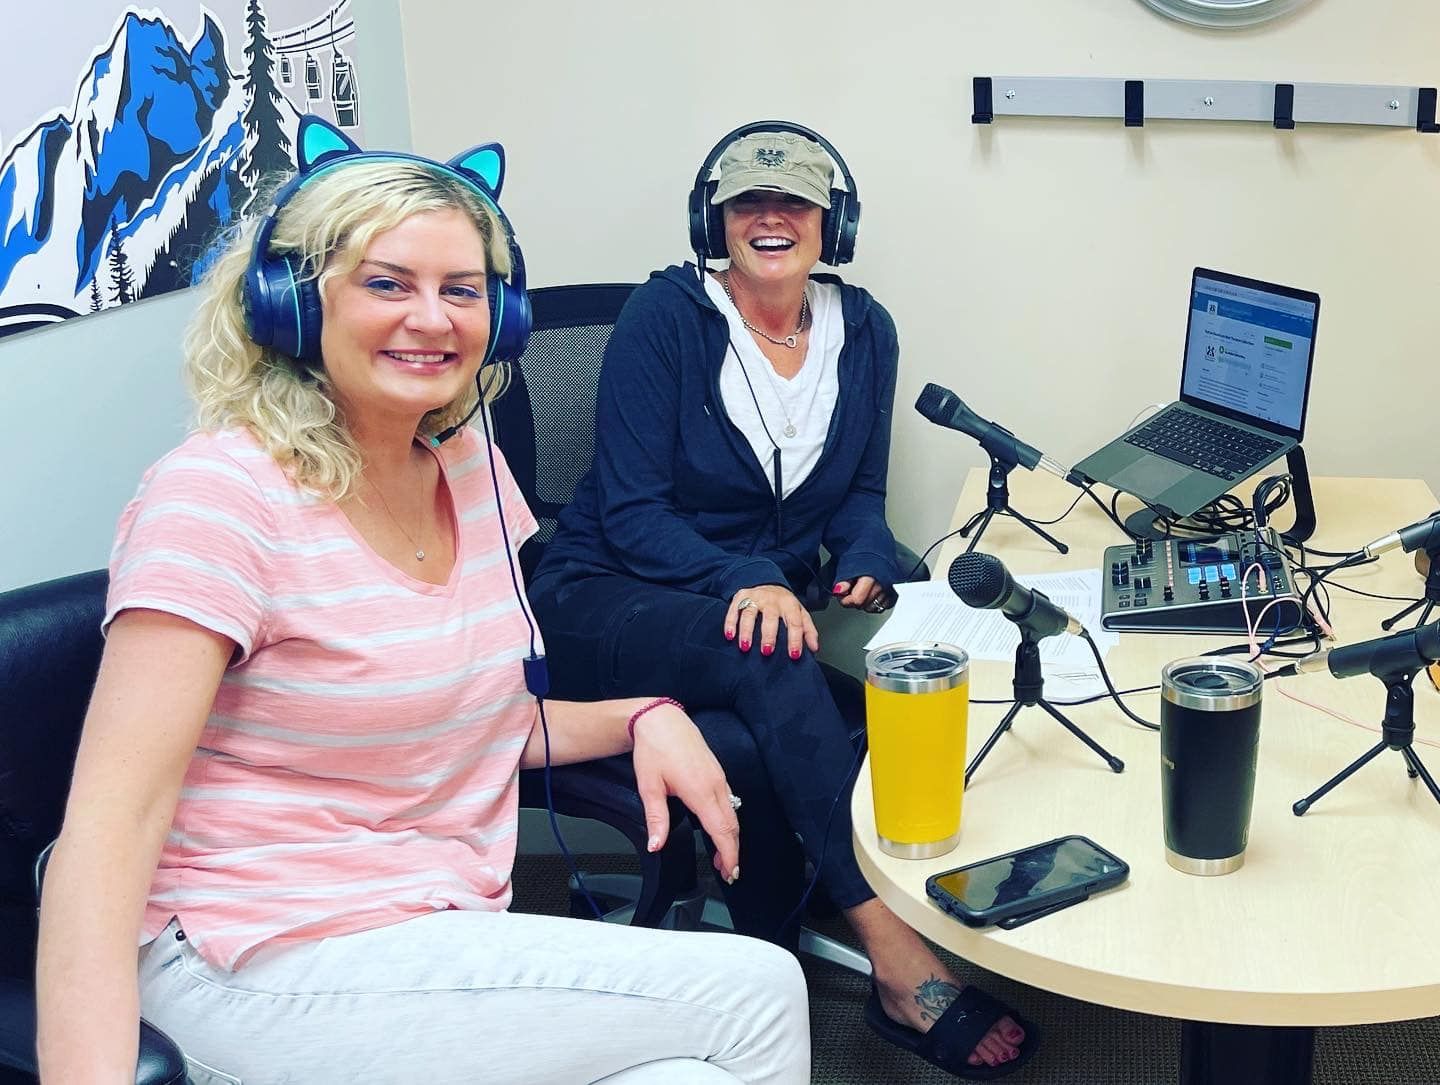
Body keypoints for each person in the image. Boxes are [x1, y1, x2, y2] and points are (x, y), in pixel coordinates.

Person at [34, 117, 809, 1085]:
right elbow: (108, 830)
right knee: (754, 990)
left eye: (464, 290)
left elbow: (460, 717)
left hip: (421, 932)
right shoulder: (219, 497)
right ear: (289, 302)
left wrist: (640, 713)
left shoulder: (470, 464)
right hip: (251, 953)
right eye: (387, 283)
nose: (433, 319)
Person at [527, 123, 1038, 1079]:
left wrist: (866, 553)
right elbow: (633, 512)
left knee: (904, 633)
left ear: (830, 222)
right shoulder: (664, 318)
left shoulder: (866, 328)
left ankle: (801, 901)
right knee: (770, 654)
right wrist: (747, 577)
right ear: (712, 220)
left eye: (795, 200)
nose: (771, 216)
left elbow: (861, 494)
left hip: (750, 600)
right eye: (746, 203)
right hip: (608, 592)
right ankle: (892, 950)